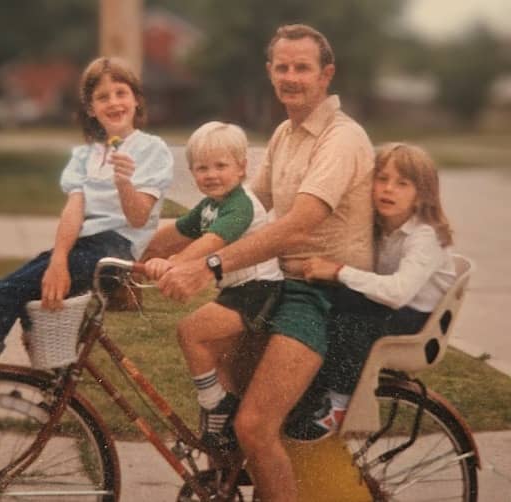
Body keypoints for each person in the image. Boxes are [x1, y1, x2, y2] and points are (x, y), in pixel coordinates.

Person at [155, 24, 375, 502]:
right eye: (282, 67)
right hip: (282, 286)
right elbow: (241, 211)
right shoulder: (285, 134)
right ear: (270, 72)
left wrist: (209, 265)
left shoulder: (340, 139)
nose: (291, 77)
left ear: (326, 75)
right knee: (221, 400)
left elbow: (297, 226)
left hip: (325, 296)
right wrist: (141, 249)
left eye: (302, 67)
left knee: (253, 426)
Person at [0, 56, 173, 418]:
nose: (114, 102)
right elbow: (73, 212)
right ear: (91, 108)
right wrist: (58, 260)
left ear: (136, 99)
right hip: (81, 248)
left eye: (121, 93)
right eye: (103, 97)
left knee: (2, 295)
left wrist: (124, 183)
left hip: (113, 252)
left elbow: (138, 217)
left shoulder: (151, 150)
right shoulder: (86, 156)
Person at [293, 142, 456, 436]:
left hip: (417, 321)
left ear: (422, 194)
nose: (388, 189)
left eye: (402, 183)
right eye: (382, 179)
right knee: (323, 302)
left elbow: (397, 292)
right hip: (394, 309)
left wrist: (338, 271)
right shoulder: (382, 225)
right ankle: (311, 392)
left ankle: (339, 404)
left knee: (351, 320)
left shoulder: (424, 236)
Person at [143, 121, 283, 451]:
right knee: (218, 360)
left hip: (259, 291)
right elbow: (174, 233)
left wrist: (175, 263)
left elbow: (211, 242)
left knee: (190, 331)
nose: (211, 175)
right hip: (238, 290)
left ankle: (214, 406)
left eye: (221, 166)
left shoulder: (240, 204)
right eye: (202, 168)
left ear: (241, 168)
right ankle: (222, 431)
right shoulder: (209, 206)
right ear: (192, 172)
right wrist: (136, 248)